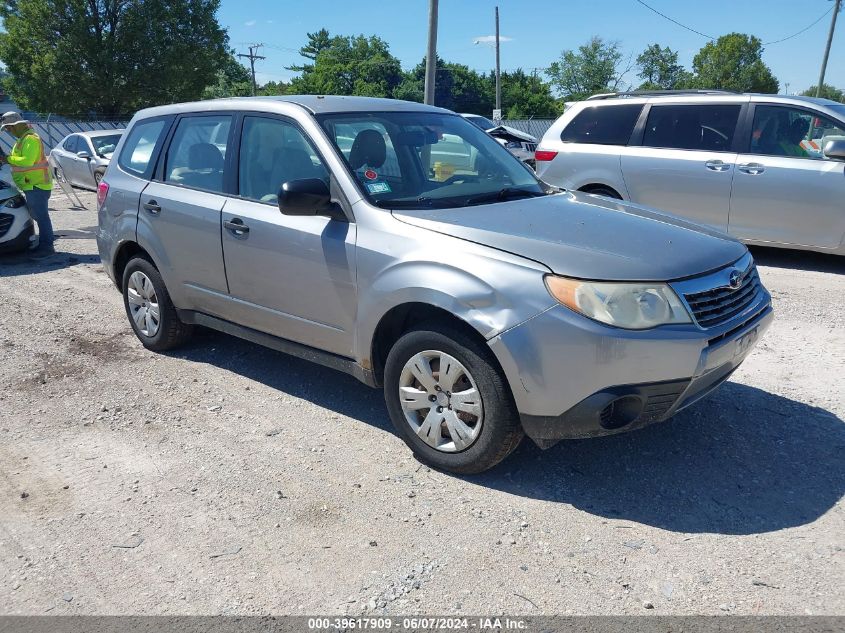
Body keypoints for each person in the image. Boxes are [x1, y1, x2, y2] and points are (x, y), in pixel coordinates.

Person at [0, 111, 54, 256]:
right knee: (37, 215)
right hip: (31, 184)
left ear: (17, 125)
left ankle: (47, 247)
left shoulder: (30, 139)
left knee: (41, 216)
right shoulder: (22, 139)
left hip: (37, 185)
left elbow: (27, 161)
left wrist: (7, 159)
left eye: (9, 128)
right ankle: (45, 244)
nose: (8, 131)